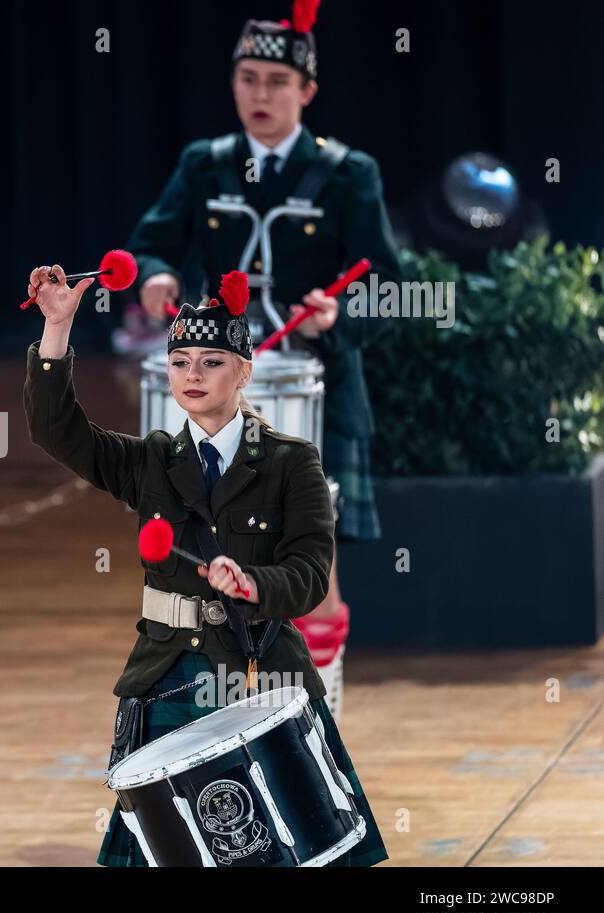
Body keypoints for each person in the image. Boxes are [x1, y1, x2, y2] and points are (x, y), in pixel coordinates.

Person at [22, 262, 387, 866]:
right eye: (179, 362)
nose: (192, 374)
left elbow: (309, 575)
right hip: (169, 673)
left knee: (306, 849)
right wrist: (57, 327)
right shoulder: (152, 462)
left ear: (244, 372)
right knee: (164, 854)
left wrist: (251, 584)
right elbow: (57, 432)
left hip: (262, 671)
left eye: (211, 362)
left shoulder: (291, 463)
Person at [127, 1, 401, 644]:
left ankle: (316, 727)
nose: (261, 94)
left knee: (311, 570)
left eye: (278, 82)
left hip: (319, 385)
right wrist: (155, 275)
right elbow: (151, 244)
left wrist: (339, 315)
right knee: (208, 570)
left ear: (306, 90)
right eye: (248, 78)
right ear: (232, 84)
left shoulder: (348, 174)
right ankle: (231, 729)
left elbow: (388, 288)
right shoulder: (205, 163)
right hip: (220, 387)